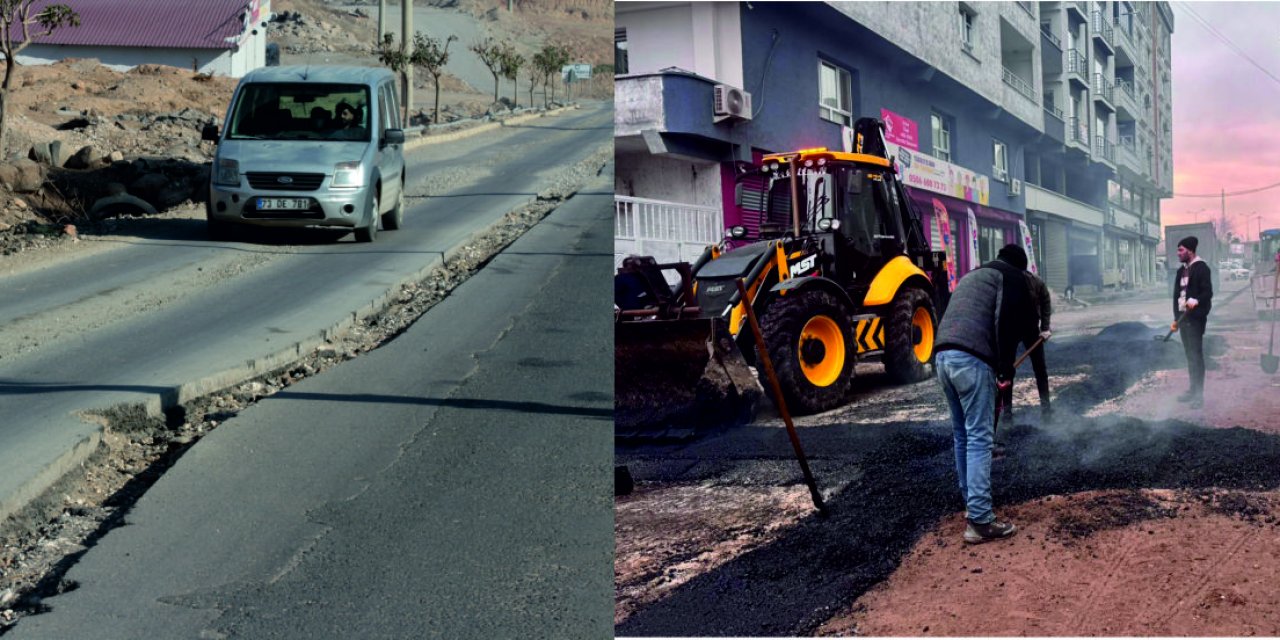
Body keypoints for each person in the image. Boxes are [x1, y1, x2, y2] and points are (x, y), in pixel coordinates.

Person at [934, 243, 1040, 544]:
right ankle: (980, 521)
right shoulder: (1012, 277)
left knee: (962, 434)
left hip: (943, 356)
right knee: (981, 437)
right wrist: (1005, 371)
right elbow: (1004, 324)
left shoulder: (974, 275)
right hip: (971, 359)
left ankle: (972, 502)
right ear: (1020, 266)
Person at [997, 268, 1053, 420]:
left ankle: (1046, 410)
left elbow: (1046, 299)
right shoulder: (1002, 281)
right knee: (1006, 371)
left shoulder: (1035, 281)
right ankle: (1007, 413)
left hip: (1031, 329)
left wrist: (1045, 327)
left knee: (1040, 368)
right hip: (1010, 330)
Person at [1172, 236, 1212, 409]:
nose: (1178, 253)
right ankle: (1192, 389)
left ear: (1190, 250)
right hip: (1183, 319)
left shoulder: (1202, 268)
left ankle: (1199, 395)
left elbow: (1208, 292)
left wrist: (1196, 300)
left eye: (1181, 250)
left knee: (1196, 356)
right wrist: (1176, 319)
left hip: (1195, 320)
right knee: (1189, 356)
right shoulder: (1180, 271)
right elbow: (1176, 297)